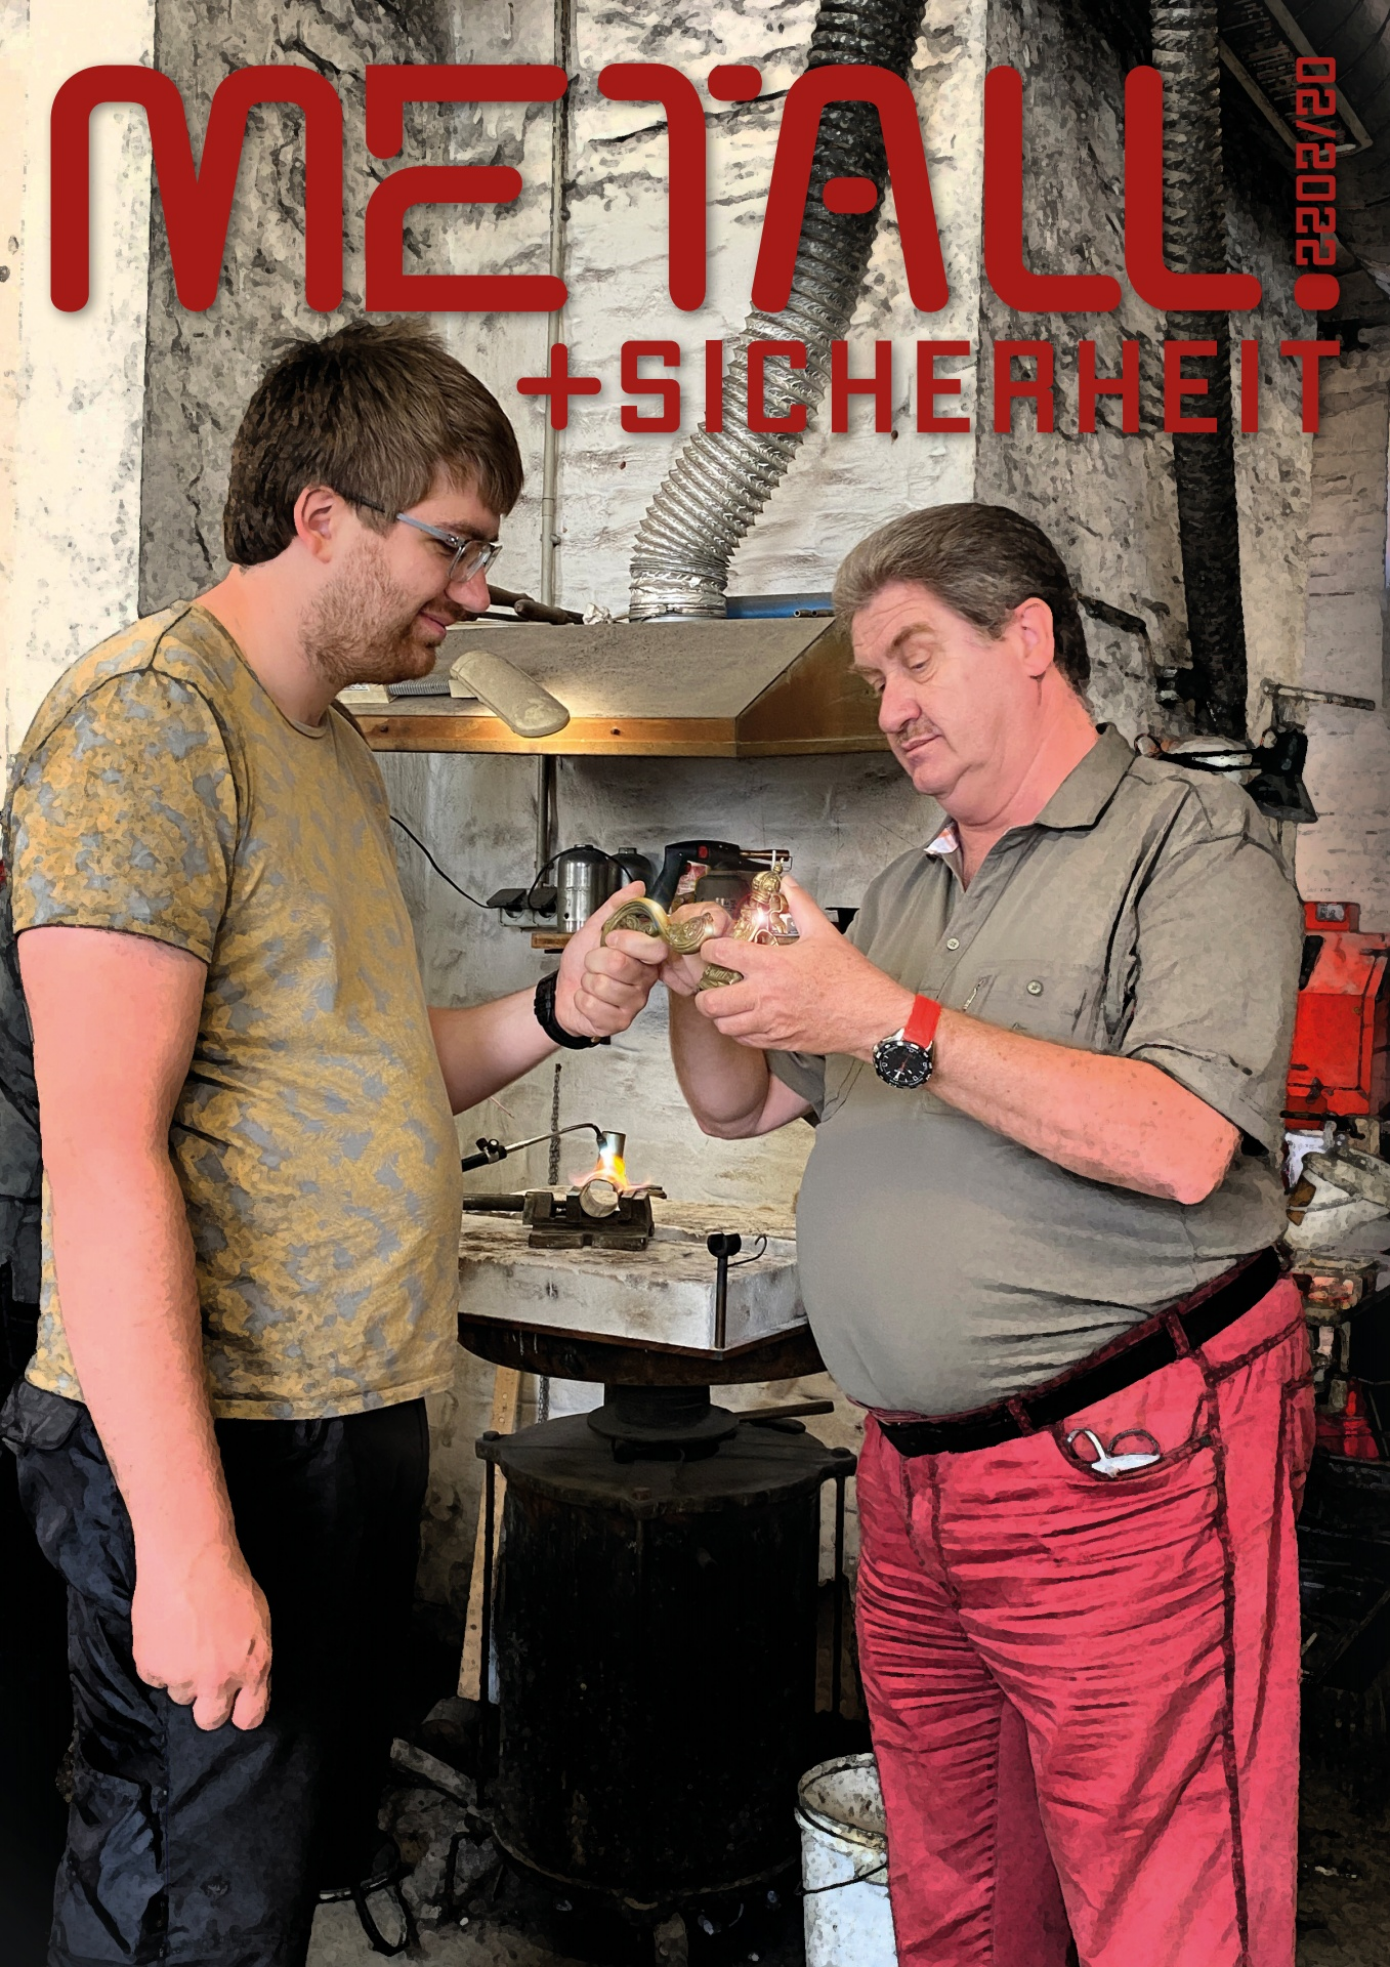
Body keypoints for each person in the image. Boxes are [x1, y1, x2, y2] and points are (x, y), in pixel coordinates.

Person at [0, 320, 649, 1967]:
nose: (474, 595)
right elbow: (103, 1155)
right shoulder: (153, 727)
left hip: (339, 1411)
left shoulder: (330, 744)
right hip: (209, 1435)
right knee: (181, 1898)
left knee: (264, 1888)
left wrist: (556, 1009)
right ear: (320, 517)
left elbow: (360, 1067)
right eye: (454, 546)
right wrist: (188, 1545)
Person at [605, 502, 1311, 1967]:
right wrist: (692, 971)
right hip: (921, 1484)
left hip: (1121, 1469)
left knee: (1164, 1911)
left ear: (1030, 637)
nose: (891, 707)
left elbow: (1182, 1142)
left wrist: (882, 1012)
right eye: (874, 678)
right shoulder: (911, 889)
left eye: (915, 658)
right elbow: (738, 1105)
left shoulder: (1193, 845)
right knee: (963, 1903)